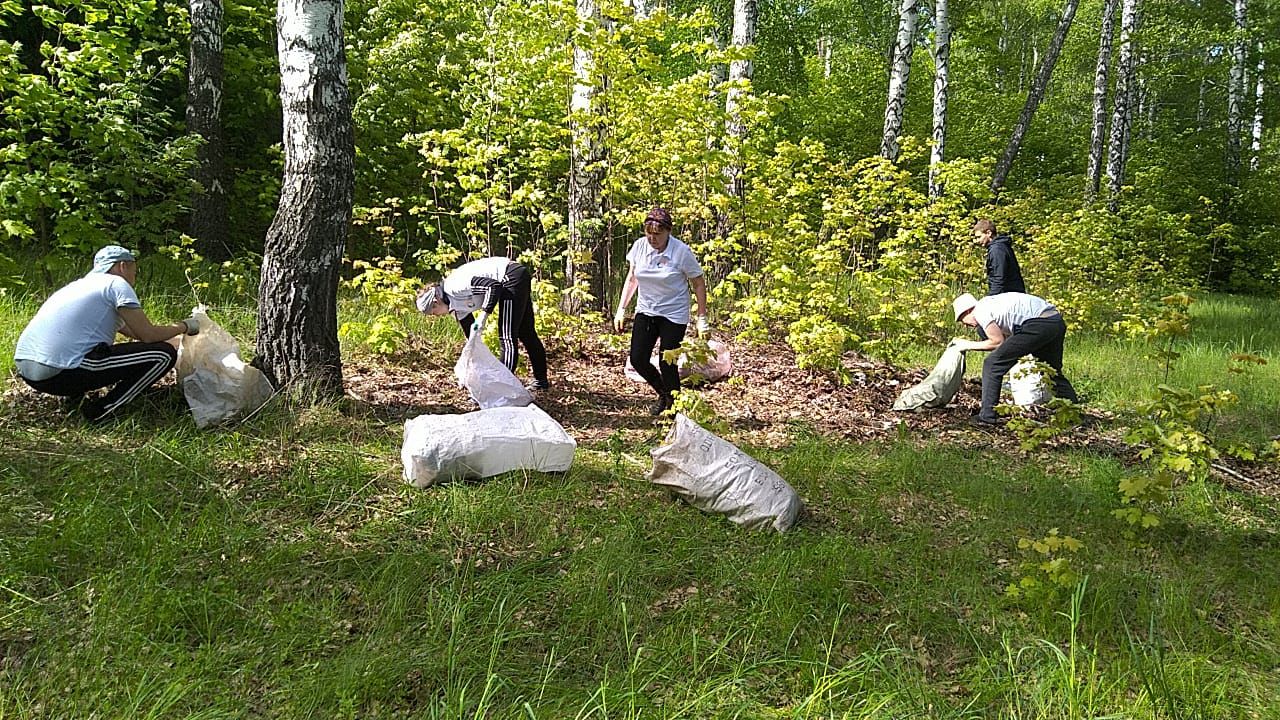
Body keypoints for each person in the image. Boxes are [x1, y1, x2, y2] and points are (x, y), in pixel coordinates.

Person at [13, 245, 199, 422]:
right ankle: (102, 410)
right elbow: (148, 335)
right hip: (60, 373)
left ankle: (72, 400)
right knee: (163, 355)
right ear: (122, 266)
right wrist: (184, 326)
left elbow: (133, 332)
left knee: (85, 349)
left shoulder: (79, 286)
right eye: (135, 270)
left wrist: (179, 340)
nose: (135, 276)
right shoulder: (116, 283)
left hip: (28, 370)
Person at [613, 207, 708, 415]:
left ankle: (674, 411)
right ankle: (664, 393)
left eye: (657, 234)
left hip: (674, 313)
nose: (652, 238)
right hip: (647, 309)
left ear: (668, 232)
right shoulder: (639, 247)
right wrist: (621, 309)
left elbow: (699, 284)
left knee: (668, 362)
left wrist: (702, 318)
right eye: (649, 233)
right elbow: (632, 278)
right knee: (638, 358)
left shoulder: (681, 252)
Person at [416, 257, 550, 391]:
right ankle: (541, 382)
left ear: (435, 301)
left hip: (510, 275)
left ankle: (500, 389)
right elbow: (472, 340)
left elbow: (493, 287)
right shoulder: (454, 307)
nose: (437, 316)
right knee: (526, 332)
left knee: (507, 336)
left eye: (433, 313)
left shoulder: (454, 287)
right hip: (513, 276)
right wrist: (468, 372)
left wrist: (484, 314)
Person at [950, 291, 1078, 427]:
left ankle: (986, 417)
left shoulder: (980, 311)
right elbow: (1004, 343)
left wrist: (966, 345)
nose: (965, 325)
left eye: (962, 319)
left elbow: (997, 342)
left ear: (968, 310)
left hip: (1038, 324)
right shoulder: (991, 304)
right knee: (1051, 371)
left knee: (991, 365)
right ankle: (1074, 413)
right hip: (1054, 321)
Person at [973, 219, 1025, 296]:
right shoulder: (1001, 246)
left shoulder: (997, 250)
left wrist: (992, 299)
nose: (977, 240)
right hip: (1013, 294)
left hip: (1009, 297)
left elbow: (998, 278)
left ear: (988, 233)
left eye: (979, 237)